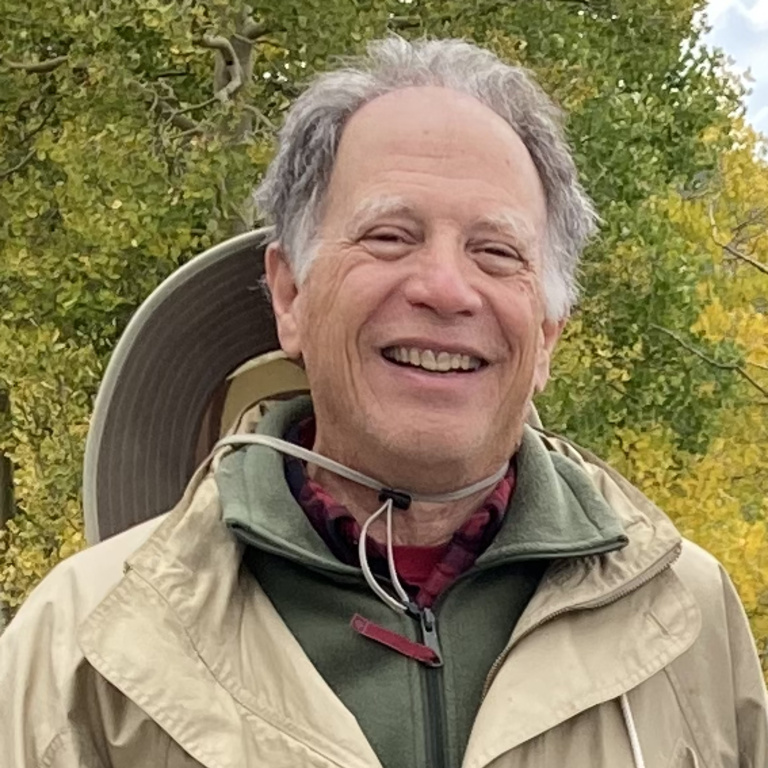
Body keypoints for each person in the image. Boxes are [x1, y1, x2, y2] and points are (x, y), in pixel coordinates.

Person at [1, 36, 766, 768]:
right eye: (391, 237)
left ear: (548, 333)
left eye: (496, 252)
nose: (444, 288)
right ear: (290, 293)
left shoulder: (686, 618)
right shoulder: (84, 646)